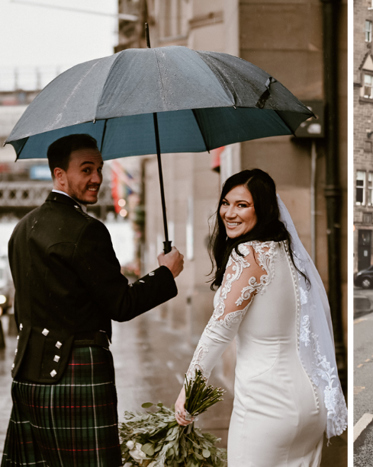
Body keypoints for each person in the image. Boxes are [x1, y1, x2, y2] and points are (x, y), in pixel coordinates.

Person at [2, 134, 184, 465]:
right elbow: (121, 305)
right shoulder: (87, 230)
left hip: (28, 377)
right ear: (60, 175)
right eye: (86, 169)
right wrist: (165, 273)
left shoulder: (22, 230)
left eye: (99, 169)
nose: (97, 178)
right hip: (77, 371)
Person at [174, 169, 347, 465]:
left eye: (242, 205)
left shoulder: (248, 256)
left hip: (267, 406)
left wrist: (189, 391)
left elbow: (218, 332)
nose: (229, 213)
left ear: (263, 209)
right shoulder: (288, 252)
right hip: (310, 404)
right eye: (226, 202)